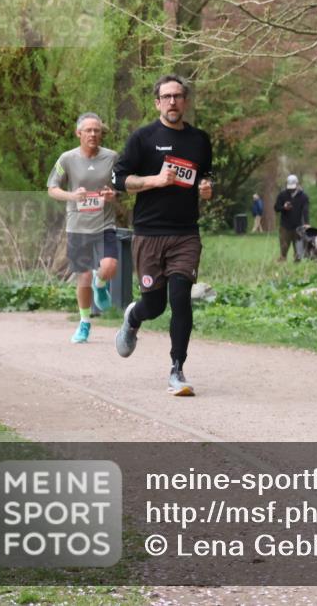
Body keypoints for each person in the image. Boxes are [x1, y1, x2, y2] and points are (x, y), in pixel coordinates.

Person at [112, 74, 213, 396]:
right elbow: (119, 180)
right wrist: (153, 181)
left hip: (185, 233)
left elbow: (204, 177)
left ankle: (177, 370)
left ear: (185, 101)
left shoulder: (200, 140)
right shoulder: (142, 138)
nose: (173, 102)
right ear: (157, 102)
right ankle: (134, 316)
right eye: (166, 97)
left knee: (181, 298)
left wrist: (207, 188)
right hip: (150, 232)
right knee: (154, 306)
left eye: (178, 96)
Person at [46, 112, 119, 343]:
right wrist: (72, 195)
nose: (93, 134)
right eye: (88, 130)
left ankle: (101, 284)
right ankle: (84, 323)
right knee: (83, 277)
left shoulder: (112, 157)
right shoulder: (67, 159)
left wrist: (113, 194)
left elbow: (122, 185)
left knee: (108, 268)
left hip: (105, 223)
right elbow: (52, 188)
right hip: (77, 225)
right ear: (79, 133)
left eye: (97, 130)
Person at [273, 174, 309, 262]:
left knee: (298, 250)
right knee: (284, 247)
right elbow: (276, 208)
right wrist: (283, 207)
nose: (291, 189)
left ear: (297, 184)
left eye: (293, 187)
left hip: (298, 226)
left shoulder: (303, 196)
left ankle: (297, 265)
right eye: (290, 187)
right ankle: (282, 261)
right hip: (285, 226)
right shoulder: (282, 195)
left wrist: (306, 223)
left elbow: (305, 210)